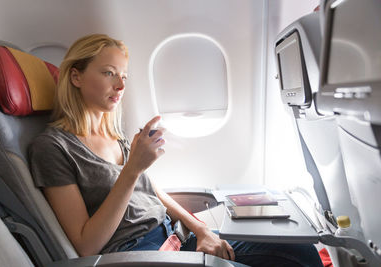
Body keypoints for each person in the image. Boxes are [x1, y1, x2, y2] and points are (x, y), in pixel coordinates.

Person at [29, 33, 324, 267]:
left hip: (174, 237)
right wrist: (133, 168)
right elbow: (85, 245)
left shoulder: (113, 135)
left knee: (299, 251)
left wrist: (202, 231)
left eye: (124, 76)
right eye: (108, 73)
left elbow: (153, 193)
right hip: (140, 255)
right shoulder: (53, 147)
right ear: (76, 77)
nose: (120, 85)